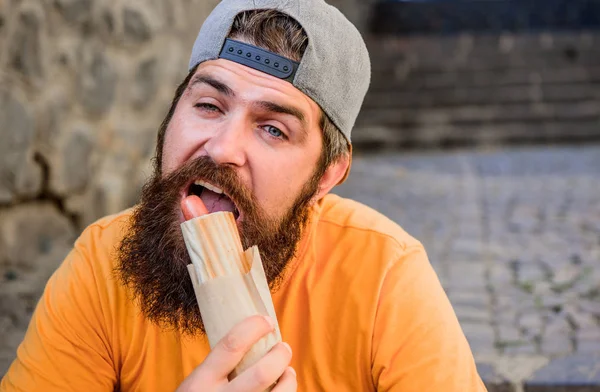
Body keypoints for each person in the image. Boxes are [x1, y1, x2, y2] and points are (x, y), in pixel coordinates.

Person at [1, 0, 487, 391]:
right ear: (172, 115)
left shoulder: (384, 276)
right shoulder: (101, 263)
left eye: (273, 129)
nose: (222, 148)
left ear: (327, 176)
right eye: (209, 105)